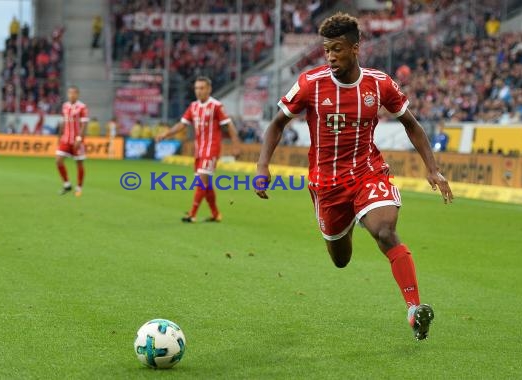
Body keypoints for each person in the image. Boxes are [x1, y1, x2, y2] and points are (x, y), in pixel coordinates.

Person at [255, 13, 453, 340]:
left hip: (367, 172)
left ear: (355, 48)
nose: (331, 56)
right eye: (326, 50)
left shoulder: (380, 84)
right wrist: (263, 167)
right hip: (327, 185)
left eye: (337, 49)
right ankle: (346, 225)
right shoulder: (310, 84)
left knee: (386, 230)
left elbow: (412, 125)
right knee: (341, 259)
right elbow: (277, 124)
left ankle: (413, 309)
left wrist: (432, 168)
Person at [156, 76, 241, 223]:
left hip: (211, 149)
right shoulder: (193, 106)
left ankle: (192, 214)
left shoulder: (216, 106)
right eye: (196, 88)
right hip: (199, 150)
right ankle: (215, 214)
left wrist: (236, 145)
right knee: (205, 184)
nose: (198, 91)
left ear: (209, 89)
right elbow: (182, 124)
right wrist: (166, 134)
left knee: (201, 181)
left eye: (202, 88)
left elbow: (229, 125)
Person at [56, 86, 89, 197]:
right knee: (58, 160)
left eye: (74, 93)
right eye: (70, 93)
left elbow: (84, 124)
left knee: (79, 163)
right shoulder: (65, 106)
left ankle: (79, 187)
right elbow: (63, 122)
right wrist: (59, 136)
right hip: (65, 139)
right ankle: (67, 184)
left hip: (77, 140)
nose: (71, 95)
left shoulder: (82, 107)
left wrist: (79, 138)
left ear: (77, 94)